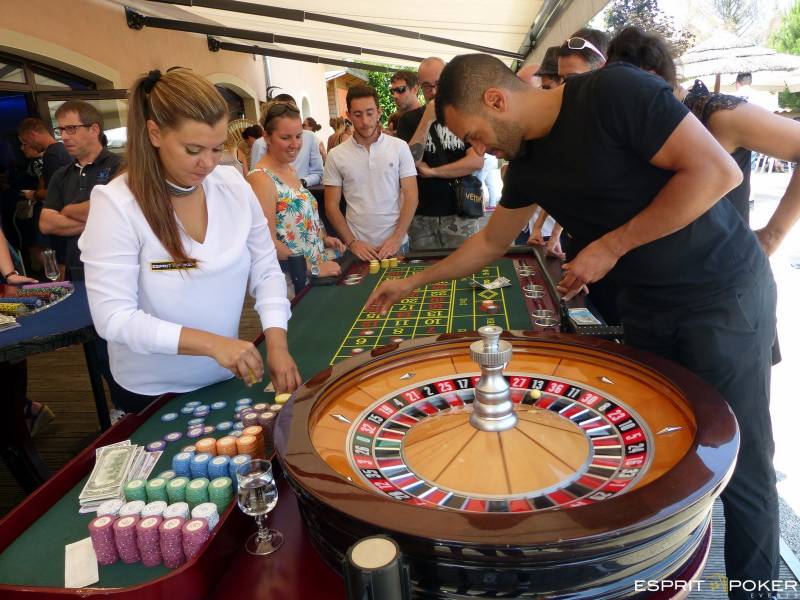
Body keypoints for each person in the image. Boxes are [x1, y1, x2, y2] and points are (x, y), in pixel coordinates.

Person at [369, 53, 779, 599]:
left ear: (497, 100)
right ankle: (666, 577)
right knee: (672, 454)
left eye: (477, 136)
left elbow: (717, 172)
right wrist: (412, 283)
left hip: (722, 296)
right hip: (646, 309)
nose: (480, 151)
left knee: (743, 463)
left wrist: (611, 245)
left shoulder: (614, 93)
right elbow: (492, 241)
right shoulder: (529, 166)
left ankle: (759, 592)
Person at [79, 69, 301, 412]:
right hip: (152, 392)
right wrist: (213, 344)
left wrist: (277, 342)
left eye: (216, 149)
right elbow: (114, 318)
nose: (208, 163)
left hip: (224, 378)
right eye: (193, 149)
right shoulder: (116, 204)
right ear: (154, 133)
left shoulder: (234, 185)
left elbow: (266, 268)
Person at [607, 26, 800, 254]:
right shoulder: (640, 121)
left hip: (725, 272)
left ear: (652, 76)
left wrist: (772, 235)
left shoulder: (719, 115)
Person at [246, 102, 343, 282]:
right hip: (292, 281)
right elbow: (267, 243)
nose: (295, 144)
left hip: (317, 273)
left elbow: (296, 222)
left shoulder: (290, 170)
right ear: (266, 137)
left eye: (298, 136)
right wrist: (313, 269)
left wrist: (323, 238)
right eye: (285, 138)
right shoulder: (260, 179)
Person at [396, 57, 484, 250]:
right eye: (427, 86)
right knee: (426, 272)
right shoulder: (409, 121)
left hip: (461, 212)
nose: (433, 91)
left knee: (466, 269)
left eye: (438, 84)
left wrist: (434, 172)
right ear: (419, 86)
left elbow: (476, 162)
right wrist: (427, 120)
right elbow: (409, 162)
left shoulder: (465, 114)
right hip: (421, 216)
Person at [323, 85, 418, 261]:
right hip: (358, 249)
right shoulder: (336, 155)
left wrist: (396, 238)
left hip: (397, 246)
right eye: (358, 115)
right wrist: (352, 242)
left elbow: (411, 195)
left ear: (379, 112)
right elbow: (331, 206)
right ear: (349, 115)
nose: (365, 121)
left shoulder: (399, 147)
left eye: (369, 113)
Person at [39, 101, 121, 281]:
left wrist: (67, 210)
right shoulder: (61, 175)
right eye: (61, 130)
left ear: (94, 130)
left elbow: (119, 213)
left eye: (71, 128)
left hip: (117, 268)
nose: (64, 137)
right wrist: (101, 220)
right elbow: (46, 223)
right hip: (76, 270)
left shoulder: (122, 166)